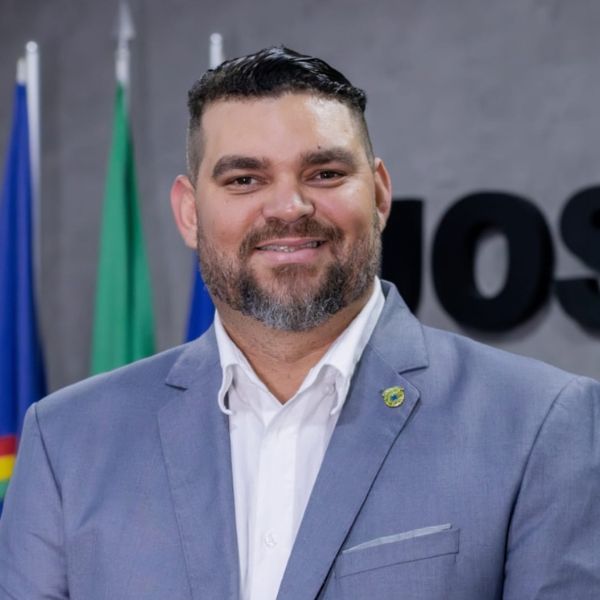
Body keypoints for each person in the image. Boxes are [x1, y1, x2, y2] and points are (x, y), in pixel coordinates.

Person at [1, 46, 599, 600]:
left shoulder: (540, 425)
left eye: (325, 173)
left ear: (380, 195)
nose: (289, 207)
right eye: (244, 180)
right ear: (189, 213)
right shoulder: (66, 441)